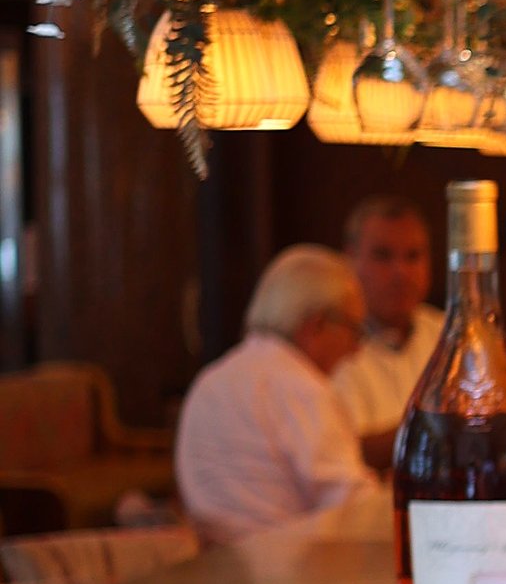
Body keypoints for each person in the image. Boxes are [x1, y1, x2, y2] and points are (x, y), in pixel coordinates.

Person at [173, 245, 378, 544]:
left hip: (217, 569)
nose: (357, 350)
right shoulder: (298, 387)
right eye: (355, 330)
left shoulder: (213, 378)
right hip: (288, 571)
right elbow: (351, 503)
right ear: (317, 325)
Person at [333, 194, 444, 472]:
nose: (401, 272)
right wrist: (440, 428)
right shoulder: (328, 342)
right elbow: (341, 453)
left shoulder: (449, 333)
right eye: (383, 256)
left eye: (413, 256)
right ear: (350, 258)